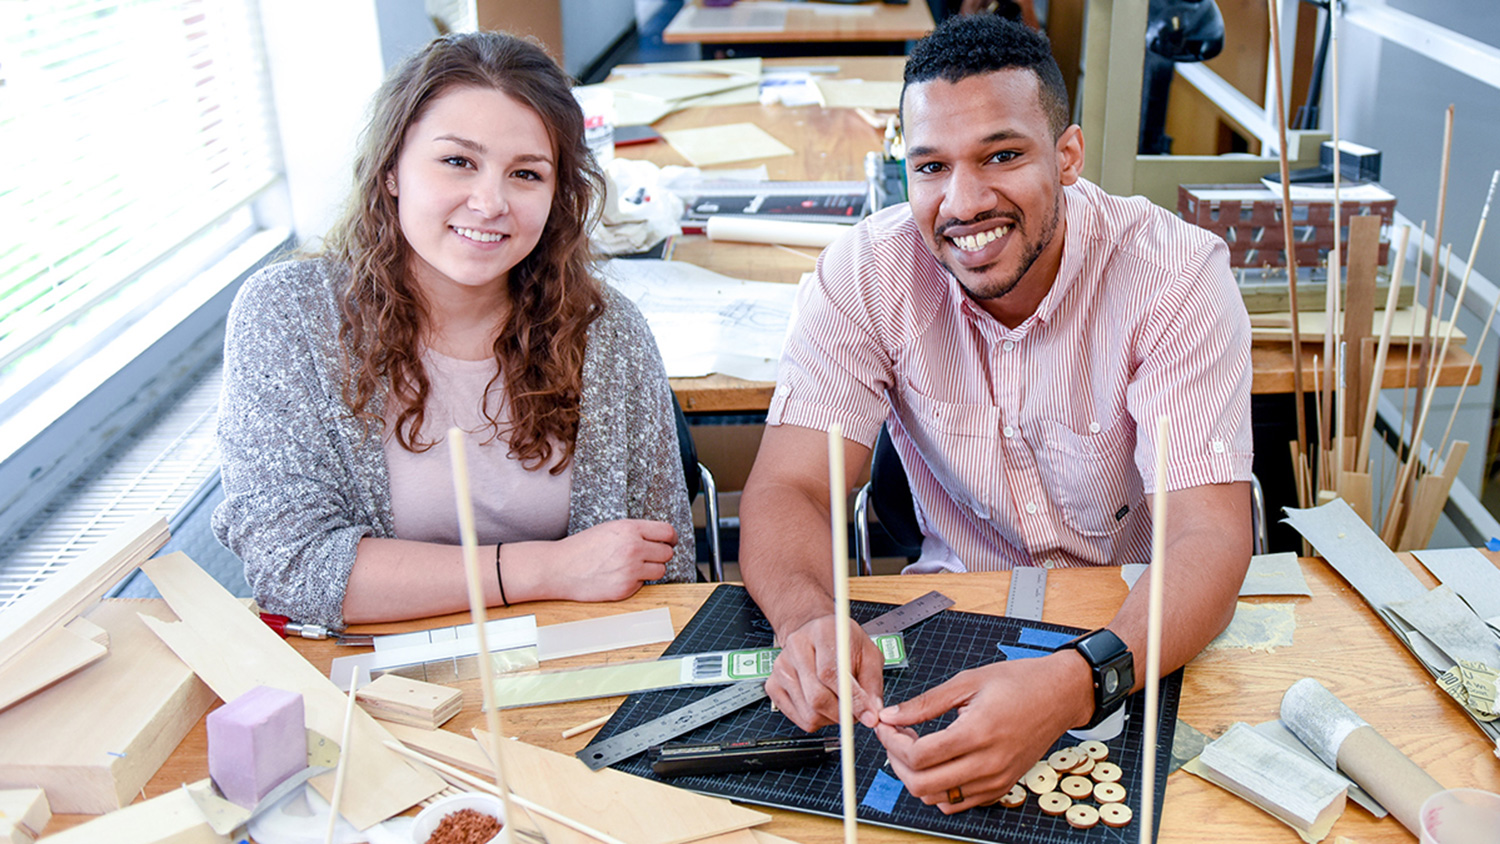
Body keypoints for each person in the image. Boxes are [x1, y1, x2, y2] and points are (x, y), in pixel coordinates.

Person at [738, 15, 1252, 813]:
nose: (964, 202)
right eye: (931, 166)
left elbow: (1209, 537)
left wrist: (1079, 683)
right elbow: (789, 490)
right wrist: (807, 620)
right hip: (953, 612)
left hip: (1140, 628)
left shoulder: (1174, 277)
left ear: (1069, 155)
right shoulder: (868, 274)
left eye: (1002, 156)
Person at [213, 32, 695, 630]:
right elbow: (294, 566)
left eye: (526, 174)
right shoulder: (288, 317)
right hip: (369, 677)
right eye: (458, 162)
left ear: (558, 196)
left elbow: (660, 575)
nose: (490, 202)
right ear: (391, 170)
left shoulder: (608, 333)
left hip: (571, 668)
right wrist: (546, 569)